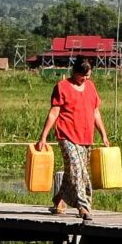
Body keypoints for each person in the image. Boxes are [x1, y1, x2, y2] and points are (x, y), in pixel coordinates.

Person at [37, 56, 109, 212]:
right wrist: (43, 137)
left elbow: (95, 112)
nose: (85, 79)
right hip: (66, 135)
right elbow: (54, 113)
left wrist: (103, 134)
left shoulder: (90, 87)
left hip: (85, 136)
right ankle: (84, 205)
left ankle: (59, 198)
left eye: (88, 76)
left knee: (72, 172)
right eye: (82, 76)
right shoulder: (62, 87)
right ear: (74, 72)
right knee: (78, 170)